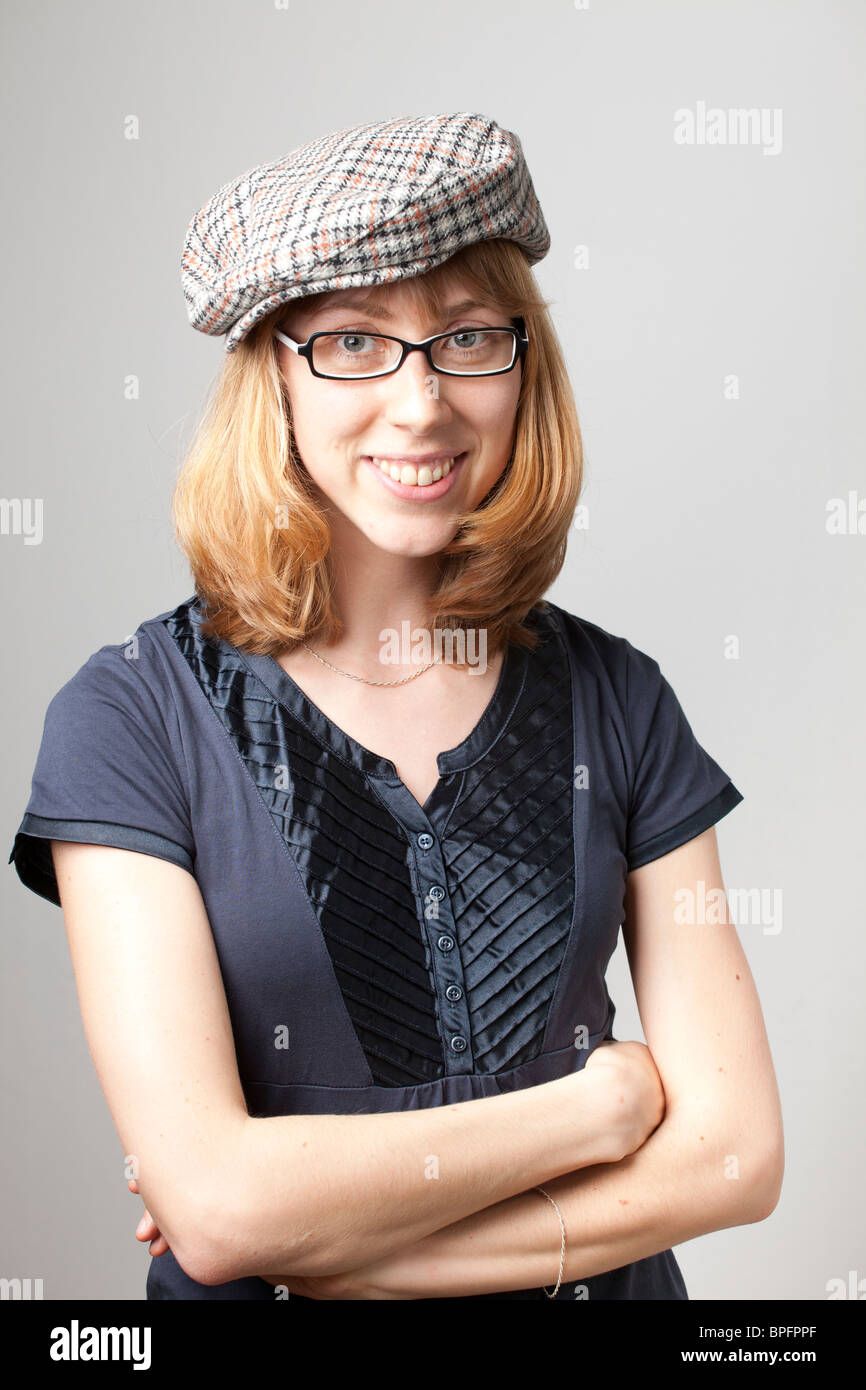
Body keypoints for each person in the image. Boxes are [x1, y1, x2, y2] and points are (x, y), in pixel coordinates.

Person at [9, 112, 783, 1300]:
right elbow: (217, 1208)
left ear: (525, 362)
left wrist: (336, 1250)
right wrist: (600, 1106)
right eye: (355, 344)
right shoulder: (130, 719)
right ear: (274, 369)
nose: (422, 403)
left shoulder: (618, 698)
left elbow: (733, 1156)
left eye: (469, 338)